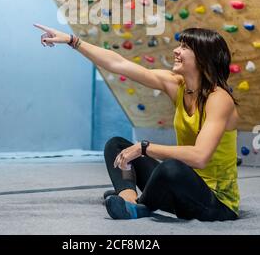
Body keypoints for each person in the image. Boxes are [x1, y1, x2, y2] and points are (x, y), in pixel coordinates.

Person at [33, 24, 240, 222]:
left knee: (170, 169)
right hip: (182, 195)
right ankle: (129, 200)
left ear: (203, 58)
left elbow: (200, 157)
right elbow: (119, 64)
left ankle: (140, 203)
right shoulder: (177, 85)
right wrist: (72, 40)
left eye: (185, 47)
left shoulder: (218, 99)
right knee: (117, 146)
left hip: (215, 204)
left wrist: (144, 148)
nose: (176, 50)